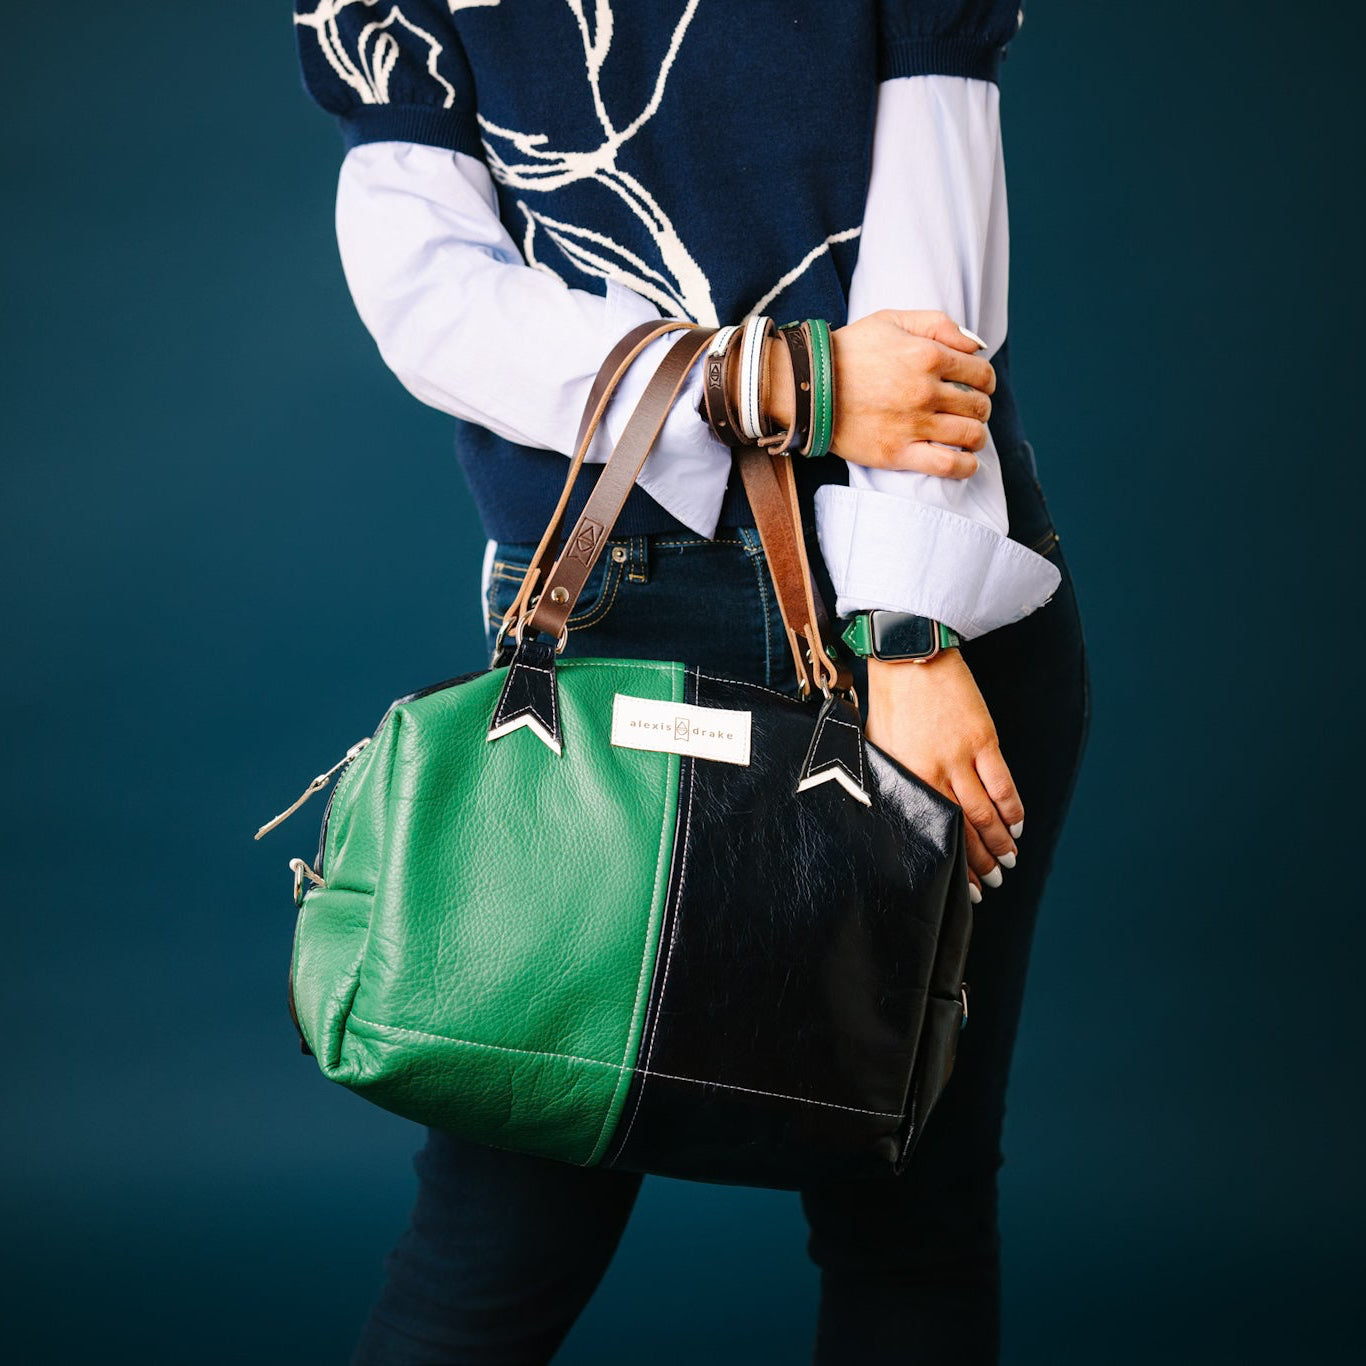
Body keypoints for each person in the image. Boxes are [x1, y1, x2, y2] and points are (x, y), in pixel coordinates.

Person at [292, 1, 1088, 1360]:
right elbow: (430, 292)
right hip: (619, 607)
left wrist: (903, 623)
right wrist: (776, 377)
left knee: (905, 1202)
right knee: (501, 1233)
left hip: (918, 596)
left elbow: (933, 268)